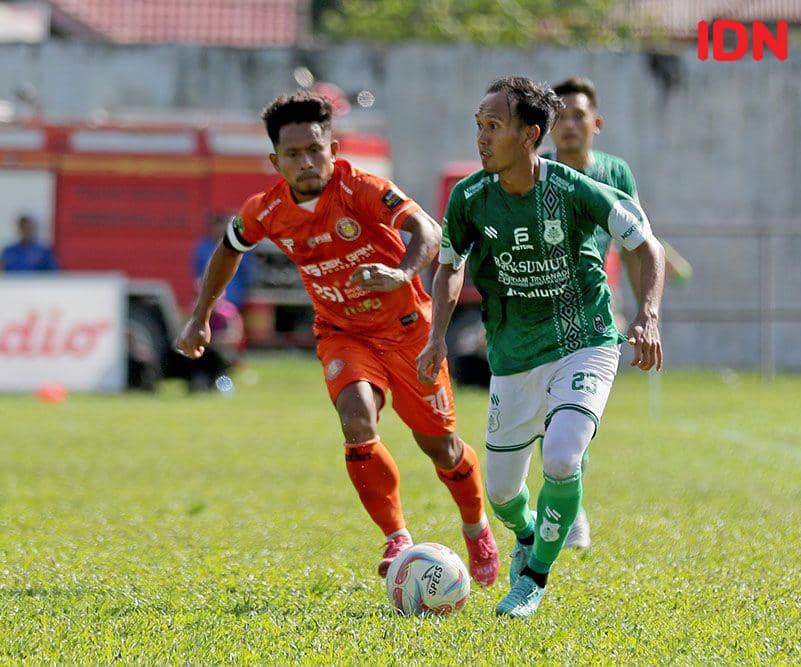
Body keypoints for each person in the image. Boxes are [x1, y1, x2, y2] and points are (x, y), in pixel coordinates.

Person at [175, 90, 499, 585]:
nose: (306, 162)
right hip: (342, 333)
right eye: (293, 154)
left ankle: (476, 528)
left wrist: (398, 273)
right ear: (275, 160)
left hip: (407, 330)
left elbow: (429, 233)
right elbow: (228, 248)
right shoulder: (267, 209)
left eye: (315, 150)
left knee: (441, 448)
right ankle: (397, 537)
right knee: (355, 420)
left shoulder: (363, 189)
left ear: (334, 148)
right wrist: (201, 315)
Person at [417, 76, 665, 617]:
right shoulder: (470, 197)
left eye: (494, 127)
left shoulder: (575, 189)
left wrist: (647, 315)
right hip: (512, 353)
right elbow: (449, 268)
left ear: (530, 135)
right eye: (478, 126)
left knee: (561, 455)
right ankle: (529, 535)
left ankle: (532, 577)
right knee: (502, 495)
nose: (481, 138)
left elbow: (647, 245)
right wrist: (437, 333)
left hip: (585, 341)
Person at [545, 75, 692, 550]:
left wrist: (645, 315)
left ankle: (570, 510)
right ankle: (563, 506)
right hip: (537, 312)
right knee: (542, 423)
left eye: (577, 115)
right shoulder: (534, 171)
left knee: (572, 418)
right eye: (559, 116)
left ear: (596, 123)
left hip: (591, 312)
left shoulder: (615, 173)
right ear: (546, 127)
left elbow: (637, 247)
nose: (568, 125)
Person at [194, 215, 253, 310]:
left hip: (233, 296)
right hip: (210, 297)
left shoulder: (237, 244)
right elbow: (199, 271)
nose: (219, 230)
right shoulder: (203, 247)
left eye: (222, 226)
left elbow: (246, 271)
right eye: (216, 227)